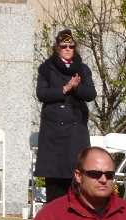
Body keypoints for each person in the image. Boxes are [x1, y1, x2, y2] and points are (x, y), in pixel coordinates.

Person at [34, 29, 97, 202]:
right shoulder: (47, 68)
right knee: (55, 179)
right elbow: (42, 94)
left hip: (76, 129)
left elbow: (91, 94)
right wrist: (65, 88)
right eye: (64, 46)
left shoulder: (82, 69)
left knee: (77, 174)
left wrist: (76, 87)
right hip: (54, 131)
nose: (68, 49)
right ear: (57, 48)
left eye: (71, 46)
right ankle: (55, 212)